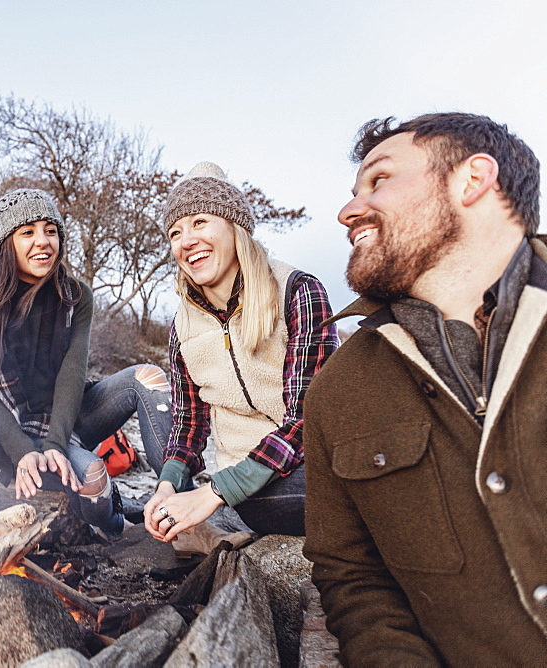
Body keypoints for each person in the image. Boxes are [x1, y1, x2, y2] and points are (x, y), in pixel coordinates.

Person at [302, 113, 547, 664]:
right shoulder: (339, 391)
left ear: (473, 179)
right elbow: (353, 578)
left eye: (379, 179)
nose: (347, 212)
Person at [143, 162, 338, 551]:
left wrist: (213, 493)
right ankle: (196, 526)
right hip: (253, 487)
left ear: (235, 227)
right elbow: (189, 420)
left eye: (200, 222)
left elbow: (309, 417)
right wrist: (169, 484)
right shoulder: (182, 327)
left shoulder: (297, 292)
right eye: (175, 232)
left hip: (311, 463)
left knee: (357, 491)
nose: (186, 241)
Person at [0, 188, 173, 538]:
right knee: (93, 479)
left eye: (51, 230)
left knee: (147, 377)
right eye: (27, 232)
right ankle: (118, 525)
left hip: (72, 413)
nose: (43, 241)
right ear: (7, 244)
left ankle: (173, 501)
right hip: (21, 428)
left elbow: (72, 375)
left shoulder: (76, 296)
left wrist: (58, 444)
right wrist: (25, 452)